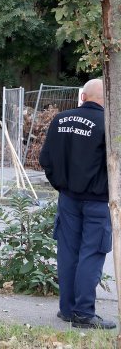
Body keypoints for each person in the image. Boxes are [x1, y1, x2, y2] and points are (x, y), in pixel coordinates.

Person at [39, 78, 115, 329]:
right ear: (109, 100)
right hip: (97, 201)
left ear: (83, 97)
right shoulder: (109, 125)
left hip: (68, 199)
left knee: (68, 253)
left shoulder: (60, 120)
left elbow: (45, 159)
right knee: (91, 254)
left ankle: (68, 309)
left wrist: (61, 185)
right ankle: (83, 313)